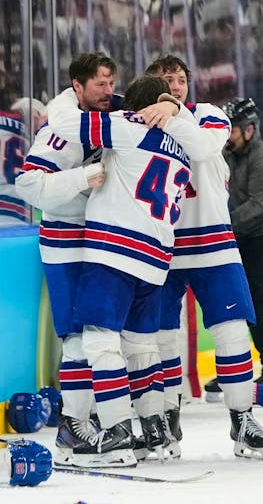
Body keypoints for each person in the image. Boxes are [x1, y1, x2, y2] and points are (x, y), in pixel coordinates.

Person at [45, 75, 216, 466]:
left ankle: (118, 429)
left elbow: (64, 123)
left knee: (99, 341)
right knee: (141, 346)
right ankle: (155, 430)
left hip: (115, 251)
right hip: (156, 258)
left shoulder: (127, 126)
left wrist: (71, 95)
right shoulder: (183, 147)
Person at [147, 55, 263, 460]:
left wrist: (171, 108)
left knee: (233, 332)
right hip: (160, 244)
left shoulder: (208, 115)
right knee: (163, 338)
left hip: (213, 241)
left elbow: (204, 146)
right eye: (166, 79)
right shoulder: (134, 122)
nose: (175, 84)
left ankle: (243, 417)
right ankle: (166, 417)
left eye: (180, 79)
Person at [15, 52, 113, 466]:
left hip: (105, 238)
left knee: (104, 334)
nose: (109, 91)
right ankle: (72, 426)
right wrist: (82, 178)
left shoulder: (116, 115)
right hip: (66, 241)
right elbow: (29, 184)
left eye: (111, 82)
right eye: (100, 84)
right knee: (77, 337)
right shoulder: (59, 131)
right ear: (77, 85)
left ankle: (89, 417)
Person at [222, 97, 263, 387]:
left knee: (255, 306)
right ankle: (236, 369)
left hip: (262, 241)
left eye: (233, 129)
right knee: (236, 307)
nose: (228, 136)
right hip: (239, 239)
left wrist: (222, 225)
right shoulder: (229, 154)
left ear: (249, 129)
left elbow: (258, 204)